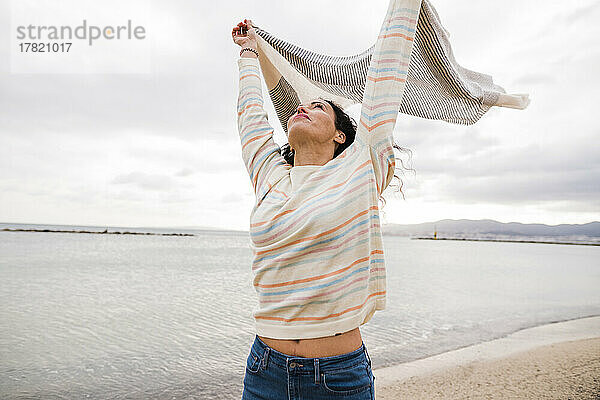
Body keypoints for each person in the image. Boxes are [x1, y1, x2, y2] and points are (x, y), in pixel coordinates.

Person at [231, 13, 413, 398]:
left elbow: (387, 67)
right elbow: (251, 116)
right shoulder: (271, 176)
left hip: (337, 378)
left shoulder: (361, 166)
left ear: (340, 135)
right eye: (301, 106)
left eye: (320, 108)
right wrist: (249, 53)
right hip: (264, 370)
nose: (303, 108)